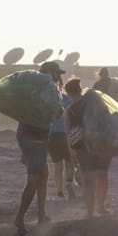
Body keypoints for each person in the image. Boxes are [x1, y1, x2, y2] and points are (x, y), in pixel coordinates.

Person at [64, 79, 112, 218]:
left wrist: (72, 155)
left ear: (68, 93)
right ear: (81, 89)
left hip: (83, 148)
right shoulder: (95, 103)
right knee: (102, 176)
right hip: (102, 144)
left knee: (88, 180)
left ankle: (89, 211)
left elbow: (69, 135)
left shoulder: (70, 111)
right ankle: (101, 207)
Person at [43, 62, 75, 198]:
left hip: (52, 134)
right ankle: (69, 182)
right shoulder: (66, 99)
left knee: (57, 165)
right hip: (67, 134)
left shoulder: (43, 97)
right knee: (69, 163)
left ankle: (60, 191)